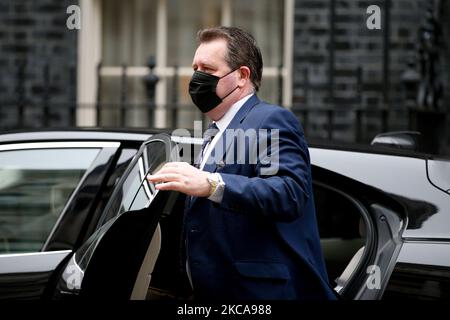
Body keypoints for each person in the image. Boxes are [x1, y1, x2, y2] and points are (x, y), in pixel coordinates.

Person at [147, 26, 336, 300]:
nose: (197, 77)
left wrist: (210, 183)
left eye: (208, 69)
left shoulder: (270, 120)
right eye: (195, 67)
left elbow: (289, 193)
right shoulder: (216, 129)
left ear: (241, 76)